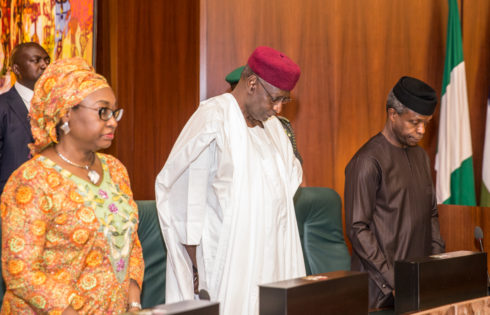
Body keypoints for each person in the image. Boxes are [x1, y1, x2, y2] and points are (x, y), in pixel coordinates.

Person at [156, 46, 305, 315]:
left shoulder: (273, 128)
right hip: (226, 265)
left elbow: (287, 185)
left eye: (285, 100)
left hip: (273, 262)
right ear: (251, 84)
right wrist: (197, 267)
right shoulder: (214, 118)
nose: (279, 108)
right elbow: (186, 200)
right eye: (275, 98)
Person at [0, 57, 144, 314]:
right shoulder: (31, 180)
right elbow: (21, 272)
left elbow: (130, 243)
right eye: (103, 111)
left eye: (114, 112)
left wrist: (133, 304)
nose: (113, 121)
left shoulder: (116, 170)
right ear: (66, 112)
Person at [344, 76, 446, 309]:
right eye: (415, 122)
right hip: (380, 294)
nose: (421, 130)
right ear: (393, 115)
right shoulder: (367, 161)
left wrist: (437, 267)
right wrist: (395, 280)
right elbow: (357, 229)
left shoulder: (420, 156)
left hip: (417, 287)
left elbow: (431, 215)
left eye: (426, 123)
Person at [0, 42, 50, 194]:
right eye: (36, 60)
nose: (44, 65)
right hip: (11, 199)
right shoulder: (2, 106)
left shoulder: (57, 107)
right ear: (16, 69)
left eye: (47, 60)